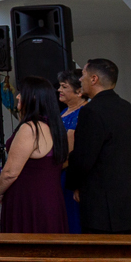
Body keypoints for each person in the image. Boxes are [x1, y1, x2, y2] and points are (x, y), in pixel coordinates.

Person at [66, 59, 131, 234]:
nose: (80, 80)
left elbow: (83, 157)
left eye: (83, 75)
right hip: (126, 204)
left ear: (94, 79)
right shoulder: (127, 107)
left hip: (100, 208)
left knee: (99, 258)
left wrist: (73, 183)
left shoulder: (92, 111)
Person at [0, 77, 69, 233]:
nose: (17, 96)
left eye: (22, 93)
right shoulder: (54, 125)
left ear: (33, 97)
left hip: (28, 200)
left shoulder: (31, 128)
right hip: (51, 198)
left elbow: (10, 173)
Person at [58, 68, 88, 233]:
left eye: (64, 87)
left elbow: (69, 154)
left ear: (78, 92)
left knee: (71, 220)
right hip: (59, 171)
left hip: (67, 174)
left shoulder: (81, 113)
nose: (59, 90)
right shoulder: (65, 111)